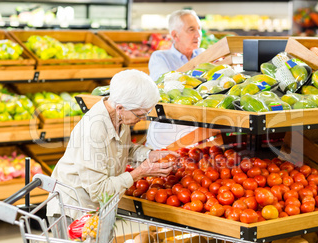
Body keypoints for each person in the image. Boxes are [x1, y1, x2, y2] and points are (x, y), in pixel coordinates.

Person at [46, 69, 178, 222]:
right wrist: (138, 173)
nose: (143, 119)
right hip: (74, 211)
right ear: (120, 108)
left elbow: (123, 149)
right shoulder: (93, 131)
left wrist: (149, 155)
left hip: (99, 208)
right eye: (140, 114)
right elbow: (98, 190)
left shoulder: (119, 117)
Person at [146, 9, 205, 150]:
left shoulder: (203, 55)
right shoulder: (160, 57)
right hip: (165, 140)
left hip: (197, 139)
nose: (198, 35)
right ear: (175, 35)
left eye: (199, 29)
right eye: (191, 29)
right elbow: (169, 85)